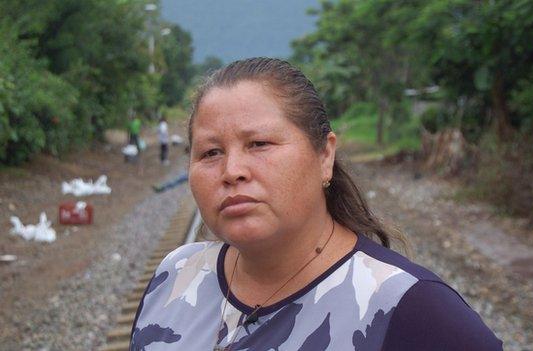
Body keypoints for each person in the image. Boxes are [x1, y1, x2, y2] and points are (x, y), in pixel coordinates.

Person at [130, 58, 503, 350]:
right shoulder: (175, 276)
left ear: (325, 155)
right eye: (210, 152)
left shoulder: (412, 311)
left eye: (259, 144)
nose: (232, 171)